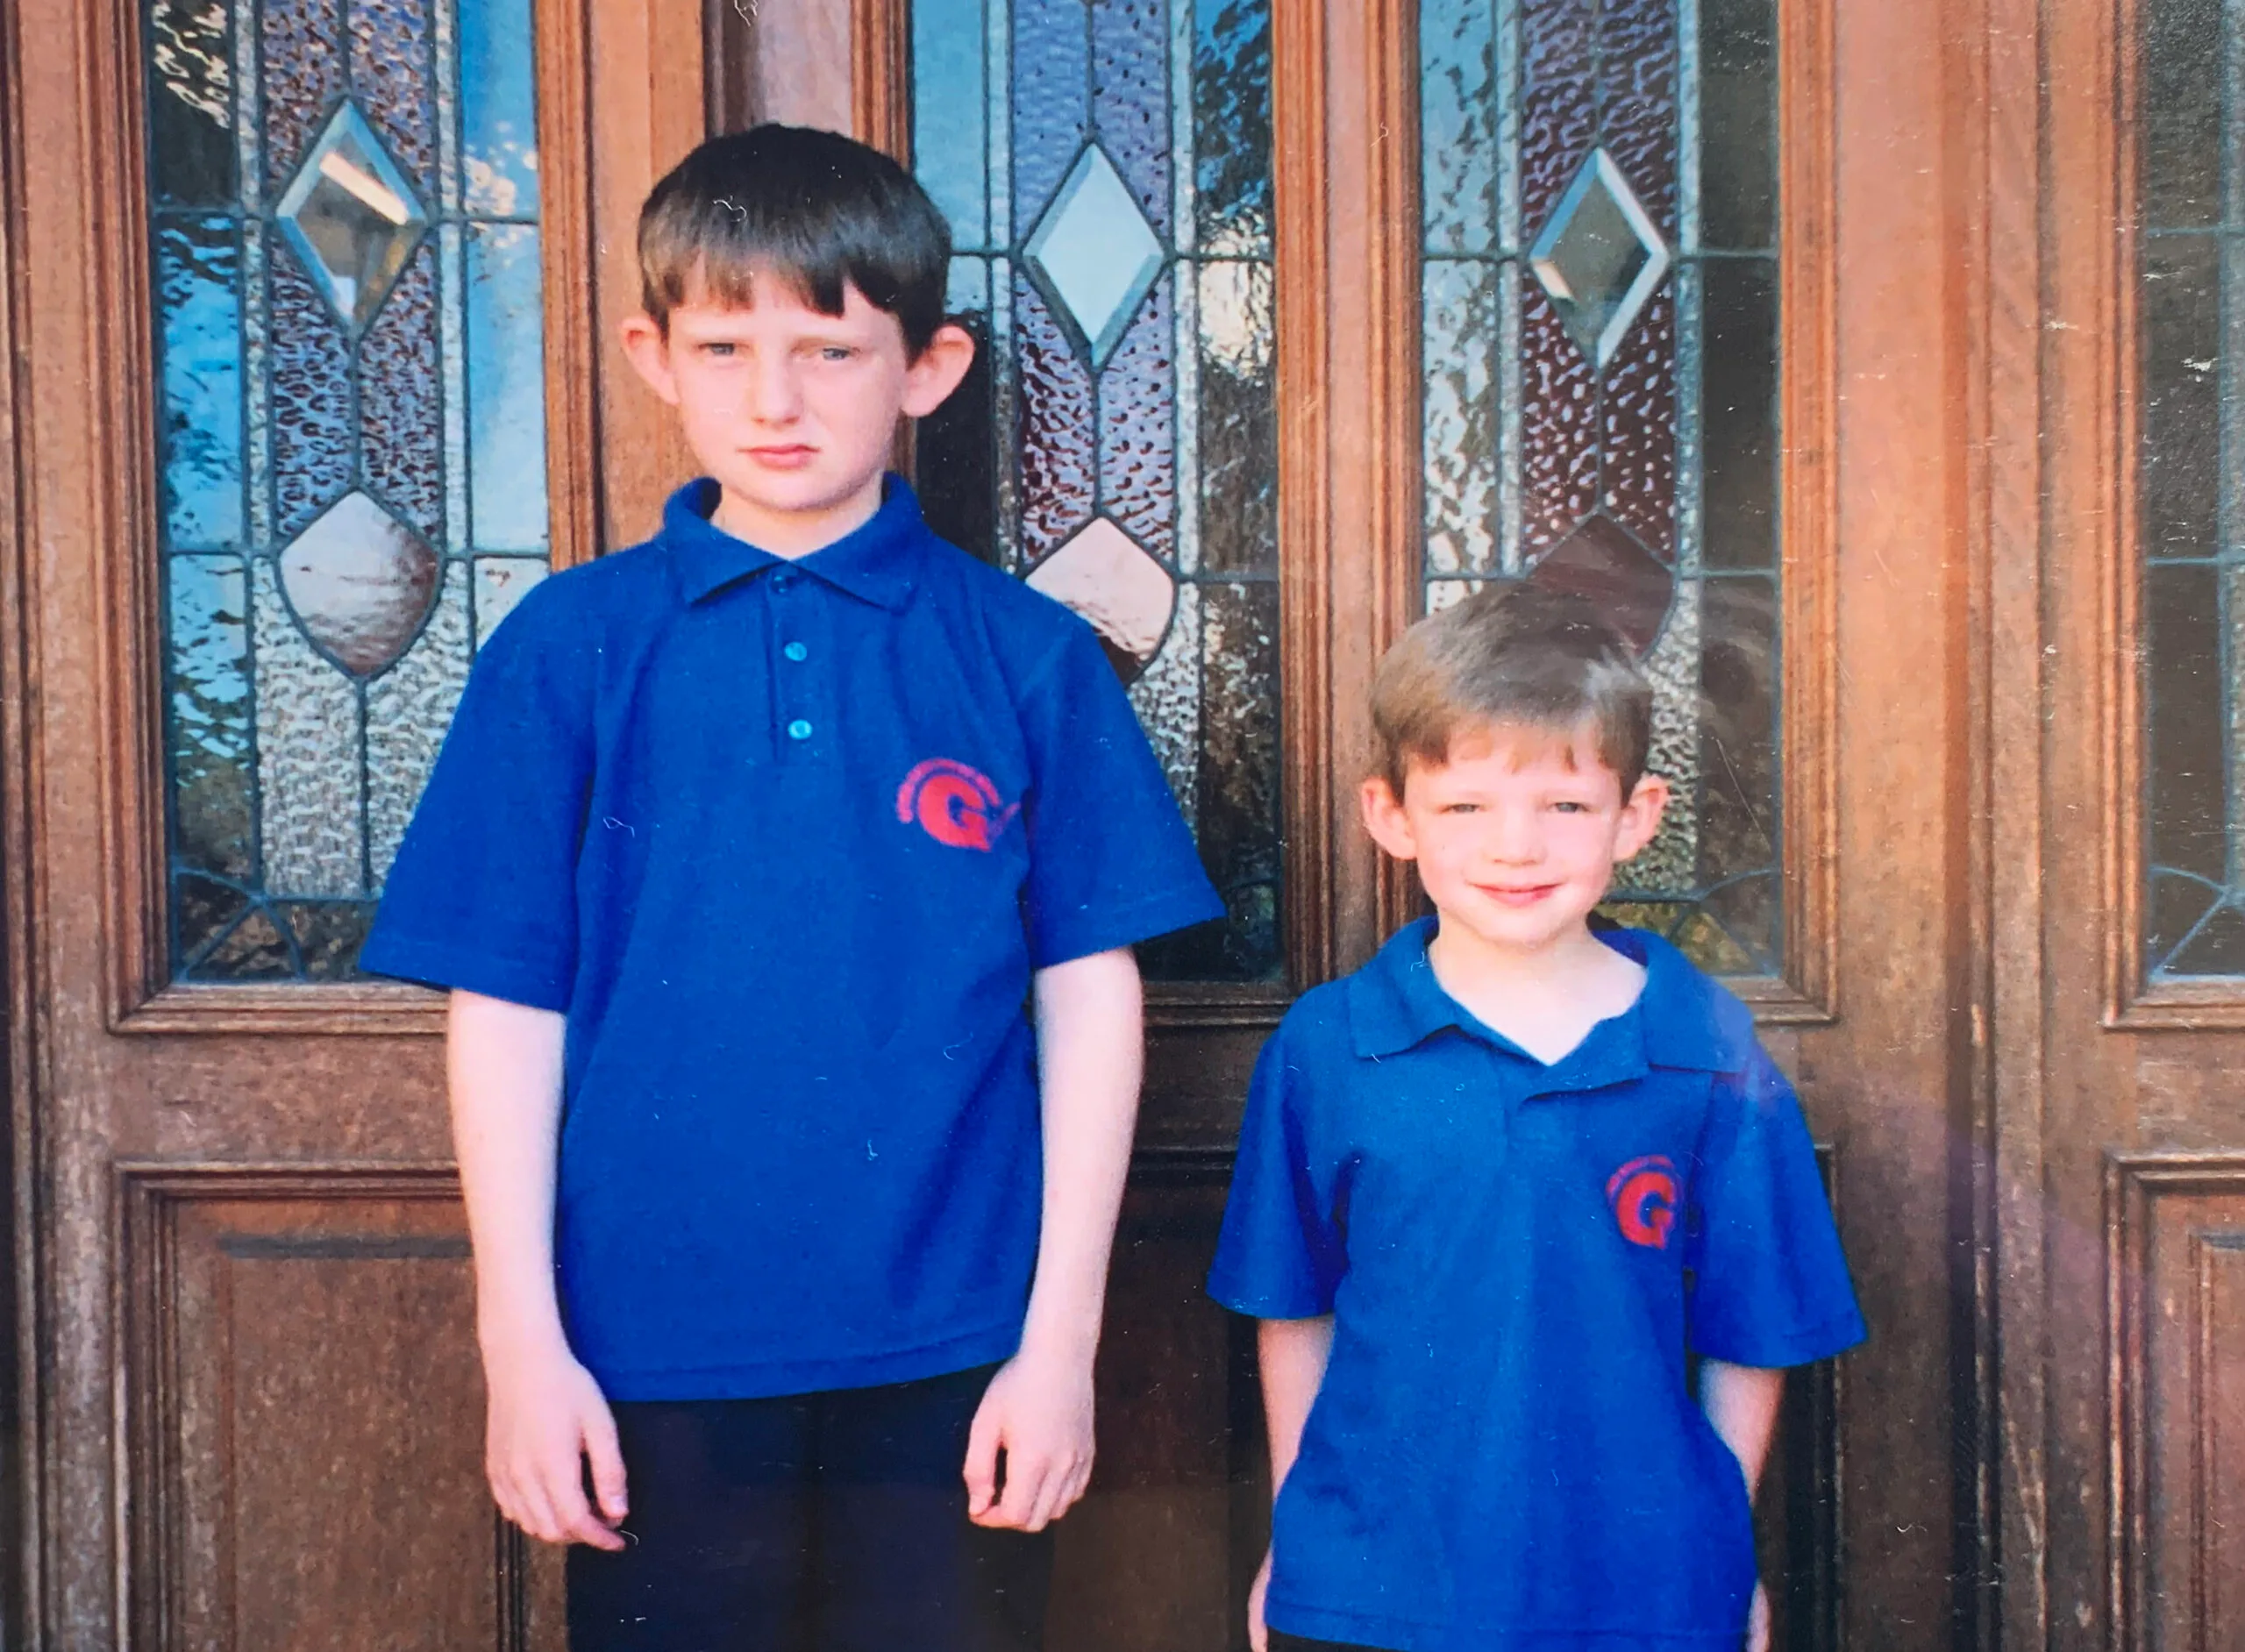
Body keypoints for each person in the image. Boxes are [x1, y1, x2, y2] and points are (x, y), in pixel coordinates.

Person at [361, 123, 1223, 1652]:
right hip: (649, 1350)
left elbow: (1091, 994)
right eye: (725, 344)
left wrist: (1060, 1342)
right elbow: (504, 1005)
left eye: (831, 348)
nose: (775, 398)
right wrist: (524, 1344)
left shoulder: (1024, 655)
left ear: (928, 367)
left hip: (958, 1343)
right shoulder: (568, 649)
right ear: (653, 354)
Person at [1208, 587, 1865, 1652]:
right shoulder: (1328, 1046)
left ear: (1636, 817)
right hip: (1374, 1586)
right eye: (1466, 807)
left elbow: (1754, 1333)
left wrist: (1718, 1548)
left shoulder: (1702, 1046)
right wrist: (1298, 1539)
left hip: (1639, 1595)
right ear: (1392, 815)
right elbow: (1293, 1311)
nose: (1515, 847)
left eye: (1562, 806)